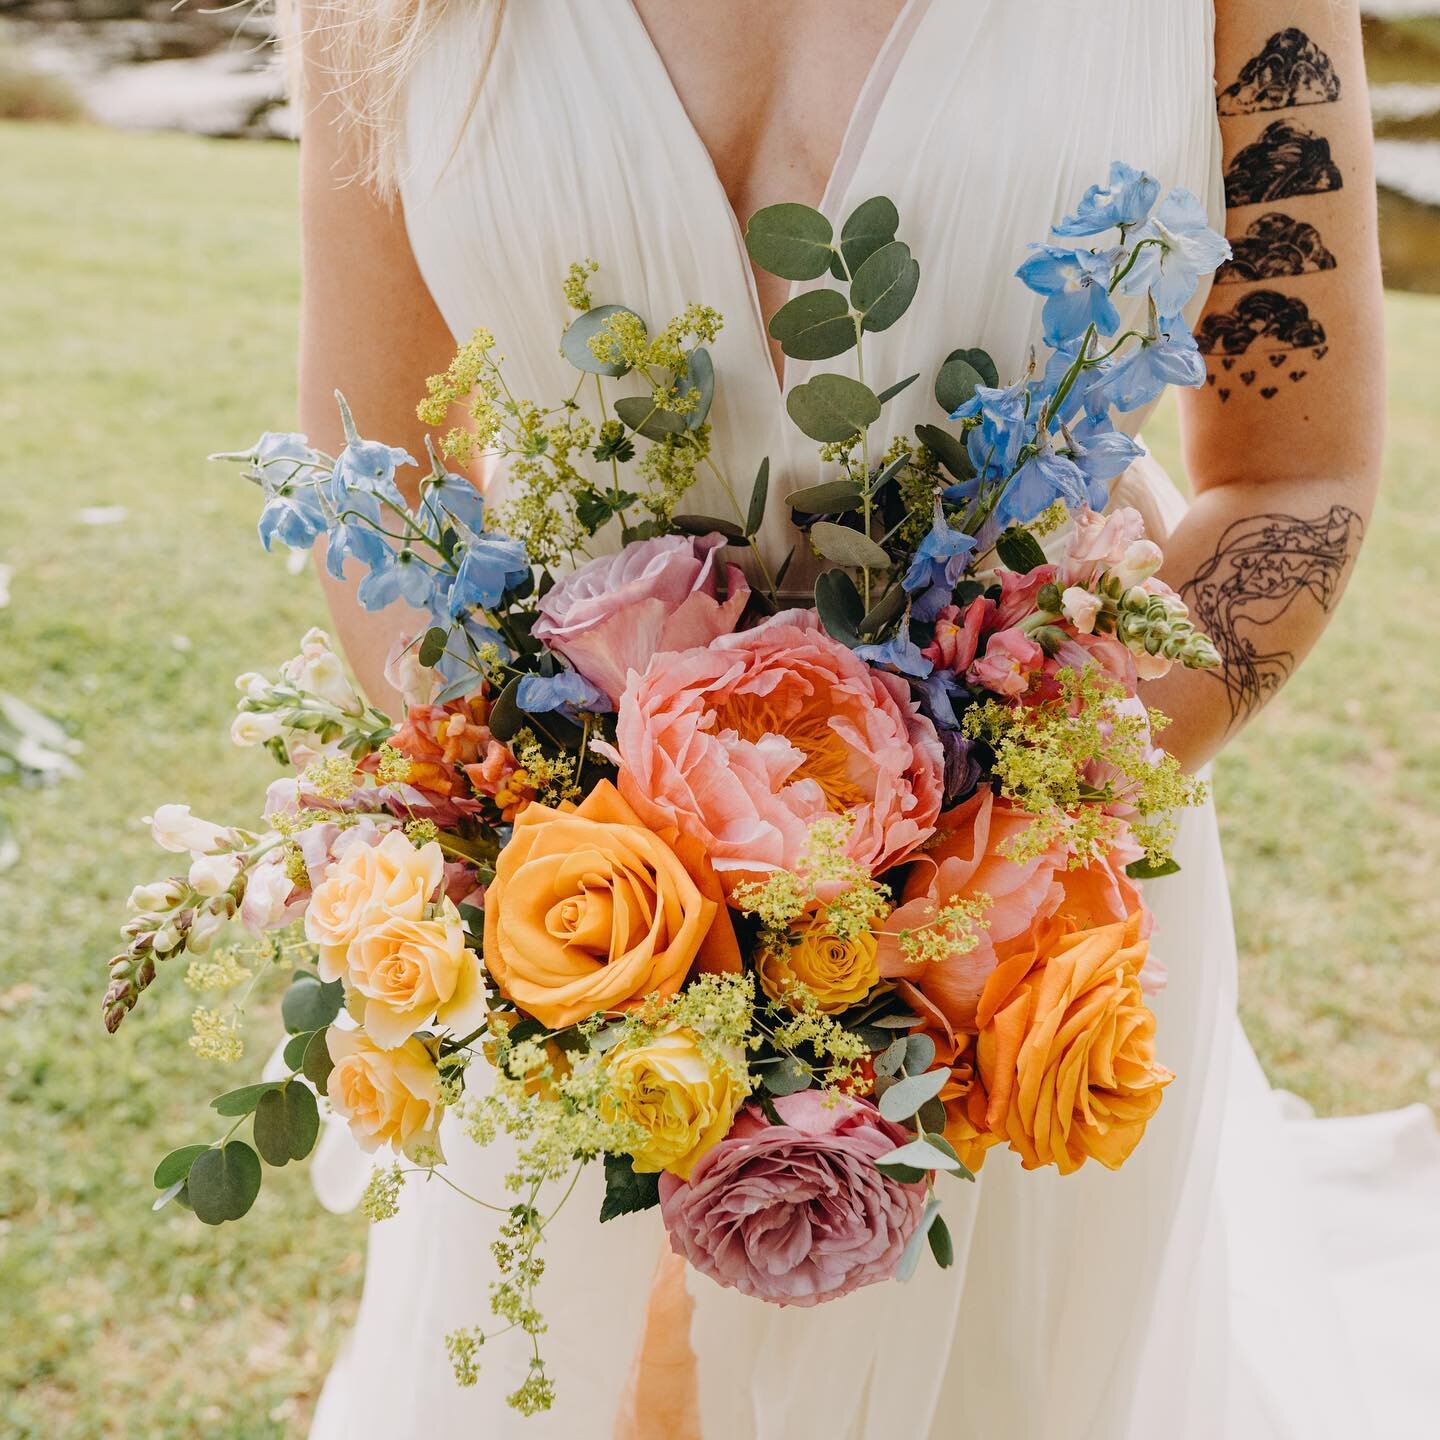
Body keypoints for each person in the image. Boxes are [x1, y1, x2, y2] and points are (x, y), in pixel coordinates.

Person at [293, 2, 1440, 1436]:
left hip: (1025, 930)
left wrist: (974, 861)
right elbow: (380, 462)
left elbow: (1295, 473)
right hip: (586, 924)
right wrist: (560, 841)